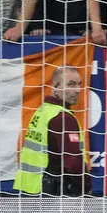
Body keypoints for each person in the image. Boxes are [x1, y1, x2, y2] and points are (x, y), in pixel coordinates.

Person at [18, 66, 92, 196]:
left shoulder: (43, 110)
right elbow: (72, 161)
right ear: (56, 86)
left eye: (79, 84)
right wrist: (85, 187)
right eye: (71, 84)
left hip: (31, 188)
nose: (77, 90)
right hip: (53, 191)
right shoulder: (62, 117)